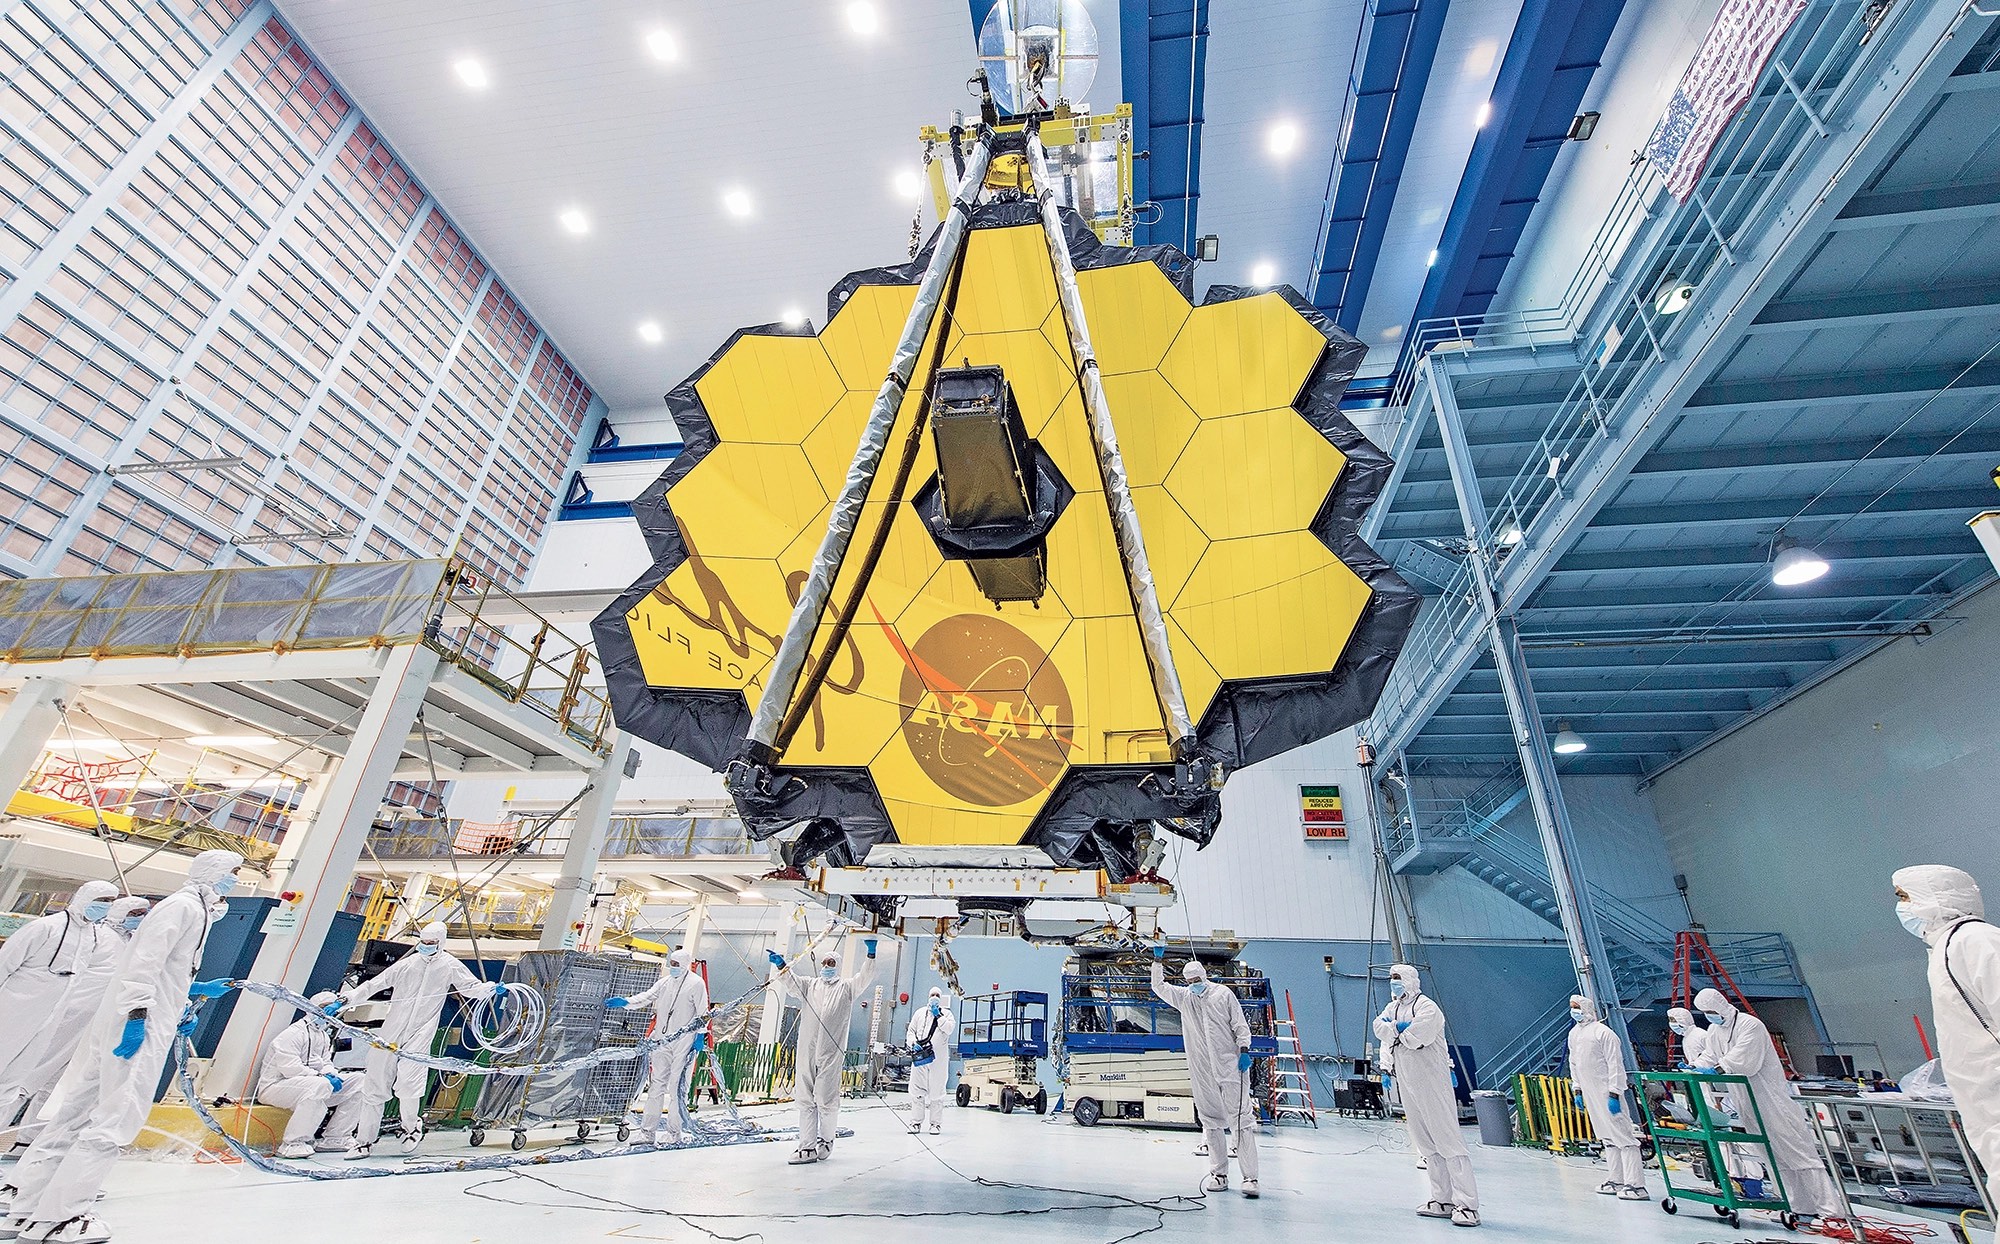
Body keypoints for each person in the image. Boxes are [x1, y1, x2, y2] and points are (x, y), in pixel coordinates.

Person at [0, 850, 241, 1244]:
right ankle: (61, 1218)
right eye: (232, 873)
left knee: (75, 1116)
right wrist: (138, 1017)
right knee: (117, 1118)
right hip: (138, 1026)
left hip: (135, 1018)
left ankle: (26, 1208)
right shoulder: (183, 908)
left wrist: (185, 999)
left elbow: (165, 969)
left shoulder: (191, 911)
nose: (234, 881)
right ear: (214, 873)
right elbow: (142, 967)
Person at [326, 920, 502, 1159]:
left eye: (431, 942)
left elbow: (471, 987)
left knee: (409, 1085)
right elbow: (374, 985)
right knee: (374, 1085)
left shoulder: (449, 965)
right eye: (423, 942)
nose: (426, 946)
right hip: (391, 1032)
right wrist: (345, 1000)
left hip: (420, 1033)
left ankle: (411, 1128)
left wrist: (490, 989)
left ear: (441, 942)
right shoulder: (407, 964)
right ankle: (364, 1141)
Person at [1892, 865, 1999, 1237]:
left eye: (1904, 897)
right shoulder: (1945, 949)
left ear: (1936, 897)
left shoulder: (1976, 941)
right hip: (1985, 1104)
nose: (1902, 908)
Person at [0, 898, 148, 1156]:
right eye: (135, 912)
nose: (139, 918)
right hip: (67, 1016)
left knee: (57, 1084)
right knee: (26, 1079)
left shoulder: (129, 943)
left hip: (91, 1023)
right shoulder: (97, 935)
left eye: (143, 913)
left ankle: (28, 1141)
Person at [1691, 986, 1844, 1221]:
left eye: (1710, 1011)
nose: (1709, 1016)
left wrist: (1719, 1069)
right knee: (1773, 1156)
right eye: (1705, 1012)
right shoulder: (1714, 1030)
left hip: (1771, 1101)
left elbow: (1745, 1061)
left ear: (1720, 1005)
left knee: (1798, 1153)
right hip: (1745, 1101)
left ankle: (1831, 1212)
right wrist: (1695, 1066)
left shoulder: (1750, 1025)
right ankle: (1798, 1206)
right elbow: (1710, 1055)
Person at [0, 881, 119, 1131]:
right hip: (13, 1011)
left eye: (110, 902)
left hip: (47, 1018)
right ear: (85, 898)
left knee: (12, 1084)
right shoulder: (45, 927)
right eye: (102, 900)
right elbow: (5, 963)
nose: (106, 906)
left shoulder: (91, 936)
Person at [1374, 964, 1479, 1227]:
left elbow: (1415, 1037)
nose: (1394, 982)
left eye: (1398, 978)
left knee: (1448, 1141)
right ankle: (1442, 1200)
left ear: (1409, 980)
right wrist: (1399, 1028)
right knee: (1426, 1143)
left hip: (1432, 1081)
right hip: (1407, 1082)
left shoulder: (1427, 1007)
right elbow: (1378, 1028)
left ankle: (1467, 1205)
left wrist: (1395, 1031)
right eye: (1391, 978)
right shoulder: (1393, 1008)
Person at [1150, 948, 1259, 1198]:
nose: (1193, 984)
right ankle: (1219, 1174)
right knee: (1211, 1122)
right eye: (1189, 982)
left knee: (1241, 1121)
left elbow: (1240, 1025)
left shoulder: (1223, 995)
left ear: (1204, 976)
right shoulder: (1185, 998)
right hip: (1202, 1071)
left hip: (1231, 1067)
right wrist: (1157, 960)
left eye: (1196, 980)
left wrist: (1244, 1050)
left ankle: (1251, 1178)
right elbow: (1159, 987)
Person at [767, 938, 876, 1164]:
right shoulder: (810, 985)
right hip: (807, 1049)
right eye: (824, 962)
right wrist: (781, 965)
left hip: (830, 1053)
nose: (826, 966)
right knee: (805, 1098)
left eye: (831, 963)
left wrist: (871, 955)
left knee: (826, 1098)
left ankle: (826, 1141)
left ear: (837, 966)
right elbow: (791, 982)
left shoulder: (846, 988)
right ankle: (806, 1147)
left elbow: (864, 978)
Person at [606, 947, 710, 1146]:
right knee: (656, 1086)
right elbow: (647, 996)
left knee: (677, 1088)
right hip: (662, 1040)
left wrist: (699, 1035)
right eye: (671, 963)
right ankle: (647, 1133)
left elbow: (703, 1012)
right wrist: (626, 1002)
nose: (673, 967)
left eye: (676, 964)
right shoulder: (665, 982)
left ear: (685, 964)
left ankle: (674, 1133)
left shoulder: (696, 983)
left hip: (684, 1042)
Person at [257, 992, 358, 1159]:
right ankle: (292, 1143)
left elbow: (326, 1062)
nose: (329, 1013)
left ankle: (336, 1138)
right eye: (324, 1008)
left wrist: (331, 1074)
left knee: (360, 1082)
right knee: (320, 1085)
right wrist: (321, 1077)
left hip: (311, 1086)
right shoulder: (293, 1034)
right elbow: (290, 1069)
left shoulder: (323, 1036)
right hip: (276, 1087)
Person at [1566, 994, 1645, 1200]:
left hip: (1607, 1092)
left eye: (1576, 1007)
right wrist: (1578, 1090)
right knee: (1607, 1138)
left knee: (1624, 1137)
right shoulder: (1574, 1034)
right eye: (1572, 1008)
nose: (1574, 1011)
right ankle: (1616, 1179)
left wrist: (1615, 1092)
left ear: (1586, 1008)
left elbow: (1615, 1064)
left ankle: (1636, 1185)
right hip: (1590, 1093)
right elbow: (1574, 1063)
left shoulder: (1604, 1033)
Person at [904, 986, 954, 1136]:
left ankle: (935, 1124)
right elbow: (911, 1031)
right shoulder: (919, 1013)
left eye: (937, 995)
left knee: (937, 1093)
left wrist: (939, 1016)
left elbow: (949, 1029)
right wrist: (913, 1043)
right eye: (932, 994)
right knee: (917, 1091)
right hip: (920, 1057)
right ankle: (915, 1123)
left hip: (938, 1060)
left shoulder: (947, 1014)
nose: (934, 997)